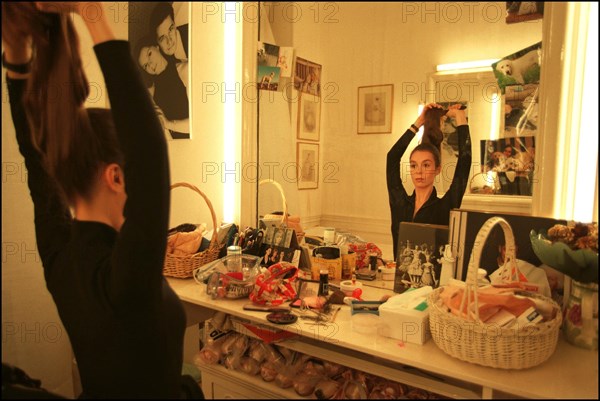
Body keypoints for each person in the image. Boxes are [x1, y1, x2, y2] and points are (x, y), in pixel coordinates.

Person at [2, 2, 195, 398]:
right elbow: (148, 148)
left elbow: (34, 158)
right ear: (117, 176)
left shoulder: (61, 256)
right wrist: (92, 13)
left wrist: (16, 53)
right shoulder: (125, 278)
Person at [387, 103, 472, 260]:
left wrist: (460, 117)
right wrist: (420, 121)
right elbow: (392, 157)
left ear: (438, 169)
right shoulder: (399, 201)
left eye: (426, 165)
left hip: (433, 283)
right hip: (399, 282)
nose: (419, 171)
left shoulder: (445, 205)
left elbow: (464, 162)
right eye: (414, 165)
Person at [135, 34, 190, 138]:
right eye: (145, 66)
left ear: (157, 47)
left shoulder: (184, 70)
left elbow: (199, 123)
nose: (151, 65)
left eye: (149, 54)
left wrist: (169, 124)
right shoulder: (151, 92)